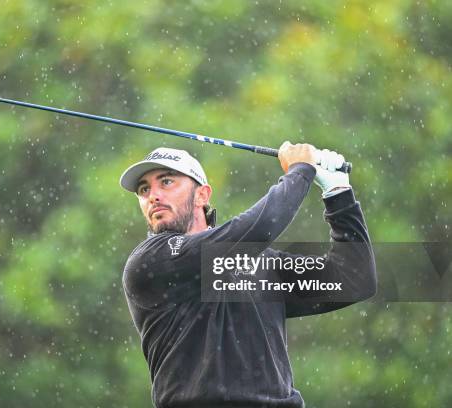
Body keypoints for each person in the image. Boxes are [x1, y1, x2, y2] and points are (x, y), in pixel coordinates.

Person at [119, 143, 377, 408]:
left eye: (167, 181)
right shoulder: (151, 260)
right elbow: (258, 228)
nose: (153, 196)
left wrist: (339, 195)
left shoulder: (257, 264)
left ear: (202, 195)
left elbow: (354, 279)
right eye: (144, 189)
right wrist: (300, 171)